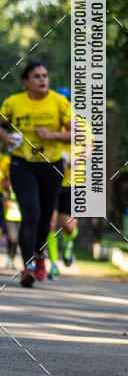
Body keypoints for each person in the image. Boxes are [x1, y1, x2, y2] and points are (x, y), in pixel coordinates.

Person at [0, 62, 71, 286]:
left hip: (51, 165)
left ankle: (39, 255)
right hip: (22, 165)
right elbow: (1, 125)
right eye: (37, 76)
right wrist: (5, 137)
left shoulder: (59, 102)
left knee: (45, 217)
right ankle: (28, 265)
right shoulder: (13, 102)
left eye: (45, 75)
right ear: (25, 81)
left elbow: (74, 134)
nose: (42, 80)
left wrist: (51, 135)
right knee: (31, 212)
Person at [46, 87, 79, 278]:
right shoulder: (50, 124)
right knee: (50, 224)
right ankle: (53, 264)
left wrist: (77, 159)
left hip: (73, 182)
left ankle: (69, 243)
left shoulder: (80, 124)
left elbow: (92, 147)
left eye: (66, 100)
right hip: (51, 181)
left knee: (69, 227)